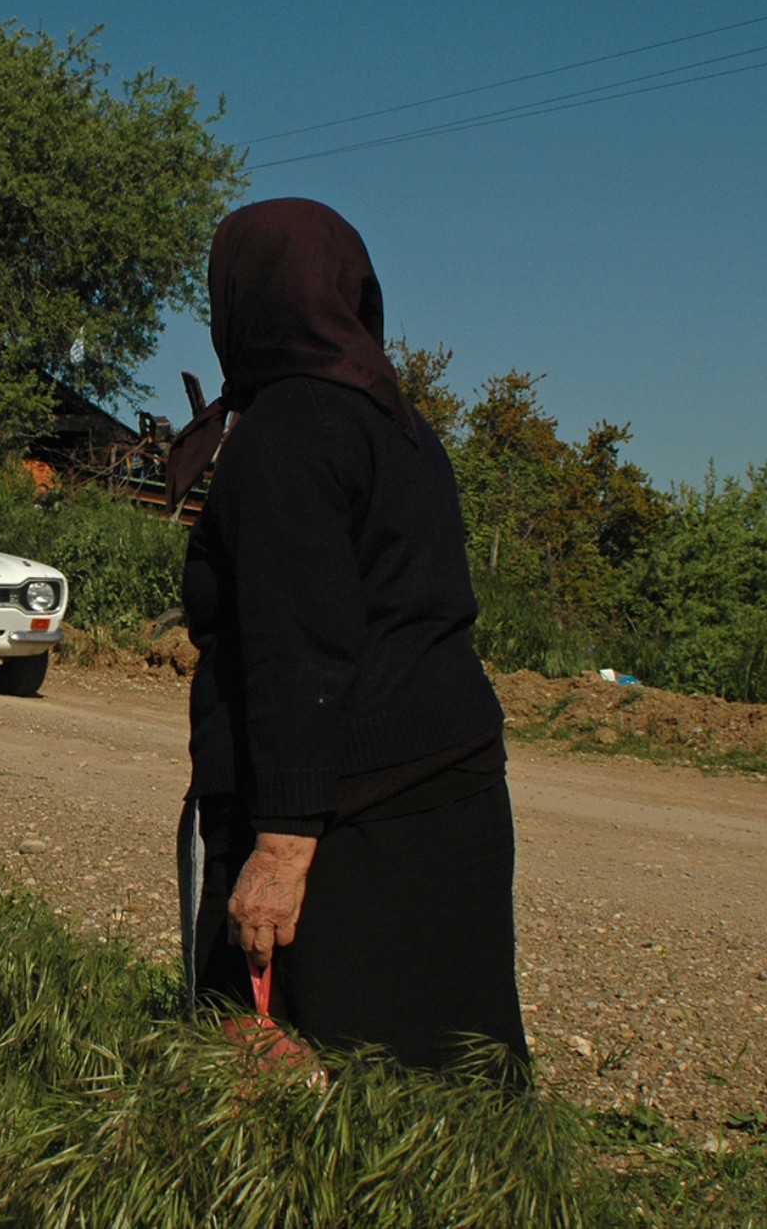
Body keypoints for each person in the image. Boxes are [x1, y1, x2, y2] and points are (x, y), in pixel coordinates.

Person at [175, 198, 530, 1086]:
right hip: (452, 786)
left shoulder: (288, 433)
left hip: (351, 819)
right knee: (450, 1071)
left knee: (308, 1081)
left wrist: (283, 849)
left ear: (247, 301)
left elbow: (299, 648)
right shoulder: (398, 424)